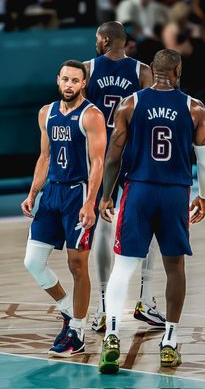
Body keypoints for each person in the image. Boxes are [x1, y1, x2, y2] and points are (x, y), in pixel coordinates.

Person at [98, 48, 205, 373]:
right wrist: (203, 196)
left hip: (139, 190)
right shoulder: (195, 108)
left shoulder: (130, 103)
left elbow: (112, 156)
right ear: (178, 72)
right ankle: (169, 341)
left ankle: (111, 336)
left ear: (152, 69)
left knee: (123, 266)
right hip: (175, 193)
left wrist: (107, 195)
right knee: (175, 267)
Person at [83, 21, 166, 333]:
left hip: (101, 157)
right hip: (134, 156)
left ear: (104, 40)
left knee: (102, 229)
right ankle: (144, 298)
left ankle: (104, 306)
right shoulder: (142, 71)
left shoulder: (88, 69)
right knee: (150, 223)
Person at [21, 60, 107, 357]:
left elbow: (98, 163)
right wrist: (33, 193)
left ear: (83, 84)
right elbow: (44, 157)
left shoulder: (92, 115)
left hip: (77, 194)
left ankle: (78, 333)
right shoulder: (47, 113)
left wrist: (91, 202)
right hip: (52, 194)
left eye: (75, 80)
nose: (69, 85)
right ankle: (70, 310)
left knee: (77, 265)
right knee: (33, 261)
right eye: (65, 79)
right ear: (58, 80)